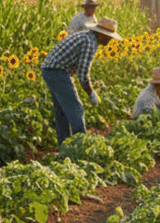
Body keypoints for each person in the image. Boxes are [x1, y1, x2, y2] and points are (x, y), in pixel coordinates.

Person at [41, 16, 122, 145]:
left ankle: (65, 147)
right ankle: (81, 147)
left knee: (62, 111)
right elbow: (83, 74)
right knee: (76, 109)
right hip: (56, 71)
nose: (110, 40)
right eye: (109, 36)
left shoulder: (87, 36)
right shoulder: (90, 42)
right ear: (101, 34)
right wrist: (91, 93)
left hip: (50, 69)